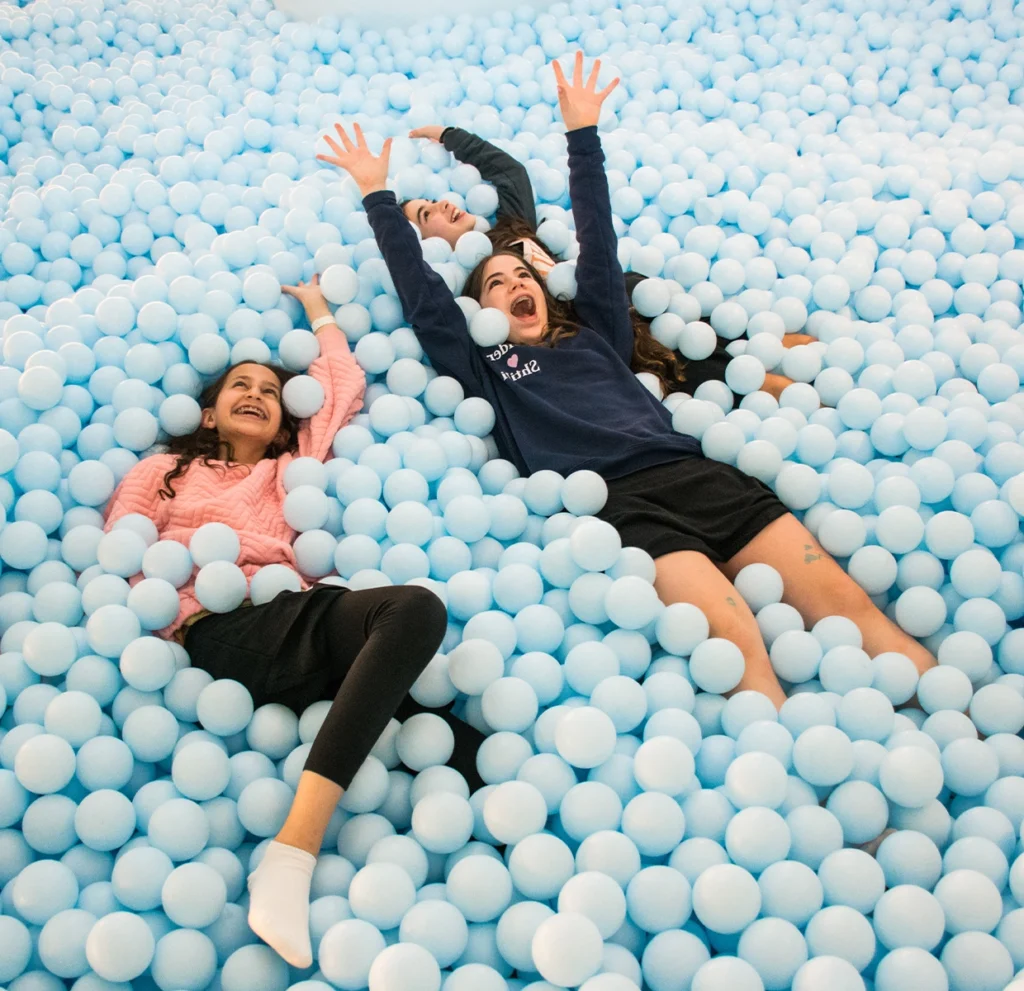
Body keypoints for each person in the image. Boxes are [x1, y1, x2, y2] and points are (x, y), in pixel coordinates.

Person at [318, 53, 937, 711]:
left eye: (522, 275)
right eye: (495, 284)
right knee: (738, 640)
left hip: (700, 477)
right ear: (480, 313)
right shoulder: (486, 370)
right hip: (621, 508)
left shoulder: (597, 333)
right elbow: (422, 295)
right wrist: (376, 195)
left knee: (854, 609)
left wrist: (582, 134)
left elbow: (597, 234)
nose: (515, 283)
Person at [104, 277, 448, 969]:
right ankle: (291, 852)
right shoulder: (163, 470)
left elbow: (341, 381)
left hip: (295, 617)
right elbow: (124, 557)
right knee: (413, 610)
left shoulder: (293, 469)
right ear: (209, 414)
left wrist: (317, 308)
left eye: (269, 387)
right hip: (221, 626)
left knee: (448, 724)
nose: (256, 393)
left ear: (286, 413)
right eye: (240, 385)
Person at [402, 123, 811, 401]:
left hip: (634, 297)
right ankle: (803, 396)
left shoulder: (508, 229)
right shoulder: (471, 291)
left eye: (434, 200)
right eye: (426, 215)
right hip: (609, 337)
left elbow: (510, 174)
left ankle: (807, 354)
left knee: (735, 339)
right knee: (722, 374)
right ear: (425, 243)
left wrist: (449, 136)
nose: (440, 205)